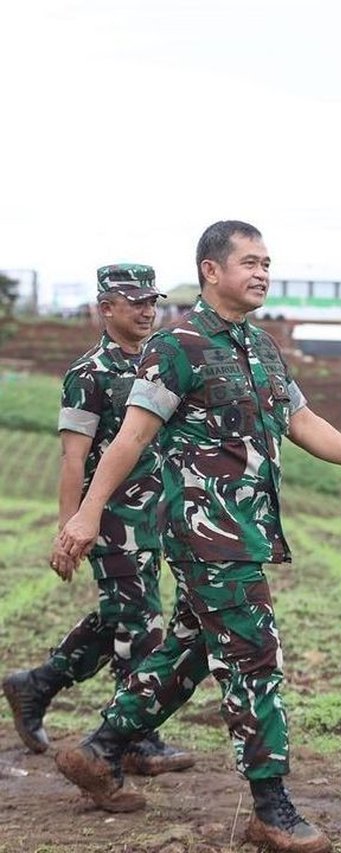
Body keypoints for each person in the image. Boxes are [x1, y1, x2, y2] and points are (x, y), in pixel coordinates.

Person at [55, 223, 341, 852]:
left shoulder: (261, 346)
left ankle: (101, 749)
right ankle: (271, 807)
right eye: (249, 262)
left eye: (267, 262)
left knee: (189, 648)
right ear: (211, 272)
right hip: (206, 530)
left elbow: (301, 420)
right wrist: (83, 513)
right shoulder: (175, 346)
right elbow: (129, 438)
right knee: (254, 656)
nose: (262, 272)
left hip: (248, 529)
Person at [2, 263, 194, 776]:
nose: (147, 310)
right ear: (105, 308)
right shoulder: (88, 374)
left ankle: (36, 684)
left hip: (154, 517)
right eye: (135, 302)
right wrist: (70, 528)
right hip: (108, 520)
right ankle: (135, 738)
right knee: (140, 623)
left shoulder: (158, 362)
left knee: (122, 617)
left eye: (151, 300)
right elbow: (72, 458)